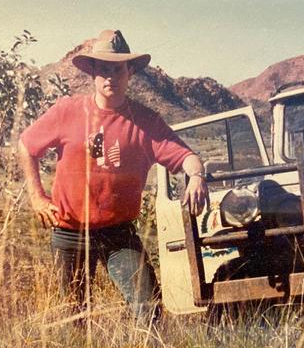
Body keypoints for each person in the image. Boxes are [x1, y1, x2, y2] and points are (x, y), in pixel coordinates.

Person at [18, 29, 208, 321]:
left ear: (129, 71)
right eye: (103, 69)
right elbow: (26, 145)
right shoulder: (67, 111)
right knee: (72, 319)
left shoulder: (145, 122)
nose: (110, 77)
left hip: (118, 234)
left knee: (149, 311)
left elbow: (187, 157)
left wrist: (197, 177)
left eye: (117, 69)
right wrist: (37, 197)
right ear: (93, 72)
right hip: (70, 231)